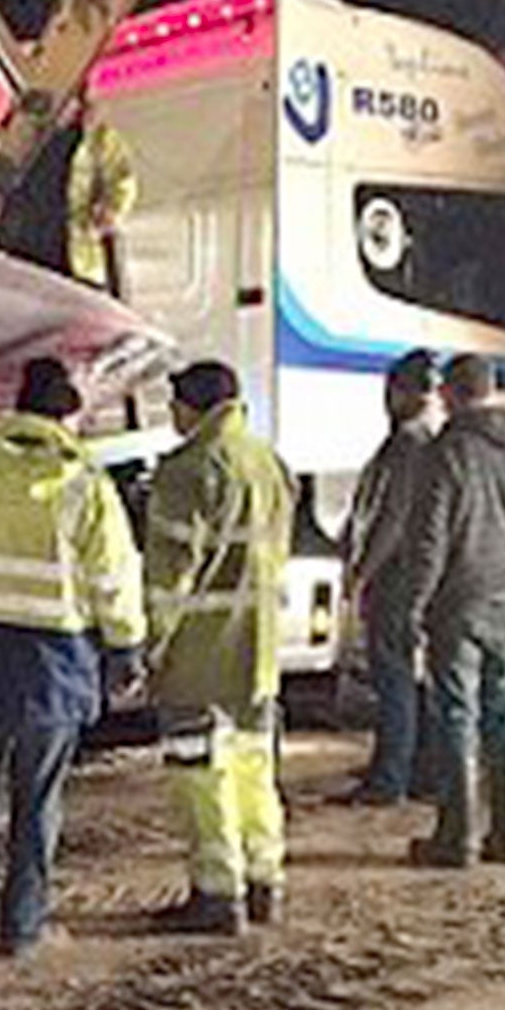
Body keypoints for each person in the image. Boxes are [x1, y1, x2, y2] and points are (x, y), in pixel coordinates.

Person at [0, 356, 145, 959]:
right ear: (69, 414)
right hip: (51, 660)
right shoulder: (83, 480)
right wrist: (125, 645)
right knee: (36, 800)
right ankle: (23, 927)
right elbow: (111, 576)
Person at [143, 360, 296, 934]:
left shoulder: (187, 470)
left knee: (200, 771)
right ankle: (264, 882)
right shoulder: (267, 462)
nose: (171, 415)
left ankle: (216, 893)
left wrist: (149, 646)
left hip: (201, 656)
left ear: (194, 407)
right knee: (255, 766)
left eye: (174, 404)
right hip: (258, 651)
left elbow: (170, 577)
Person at [404, 354, 505, 868]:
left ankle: (457, 837)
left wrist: (414, 604)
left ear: (450, 394)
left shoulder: (446, 451)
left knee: (456, 714)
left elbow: (430, 538)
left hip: (459, 600)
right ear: (491, 390)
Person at [342, 349, 446, 804]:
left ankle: (390, 778)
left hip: (397, 578)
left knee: (394, 679)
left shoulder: (408, 444)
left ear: (403, 393)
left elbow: (394, 519)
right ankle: (422, 770)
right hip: (410, 575)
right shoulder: (426, 440)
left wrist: (363, 572)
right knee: (411, 678)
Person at [66, 97, 138, 294]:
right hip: (32, 250)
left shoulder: (100, 137)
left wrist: (112, 209)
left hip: (81, 261)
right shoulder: (31, 133)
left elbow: (121, 179)